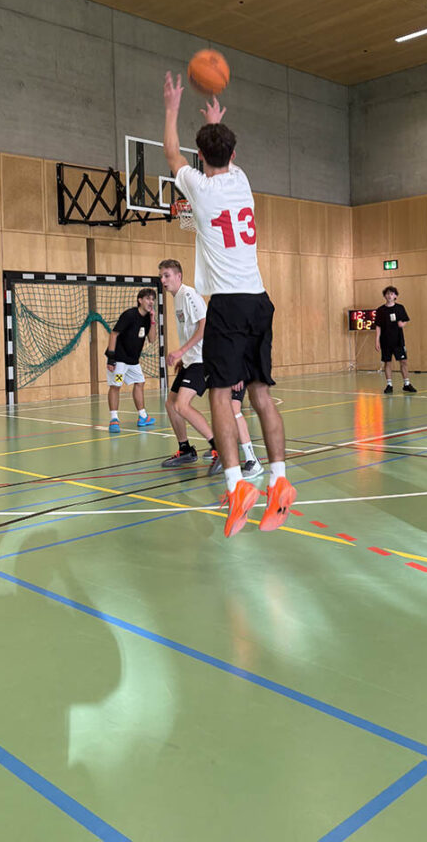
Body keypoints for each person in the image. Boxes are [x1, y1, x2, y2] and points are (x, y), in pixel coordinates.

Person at [162, 72, 295, 537]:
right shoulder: (242, 181)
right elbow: (209, 152)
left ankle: (237, 485)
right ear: (233, 156)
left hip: (229, 305)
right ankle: (279, 482)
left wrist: (172, 107)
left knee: (220, 394)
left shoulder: (200, 188)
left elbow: (172, 154)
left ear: (201, 158)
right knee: (260, 395)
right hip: (260, 301)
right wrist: (217, 121)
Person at [158, 258, 263, 478]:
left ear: (179, 276)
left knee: (185, 405)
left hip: (204, 361)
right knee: (171, 403)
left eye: (167, 275)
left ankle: (221, 448)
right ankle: (186, 449)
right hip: (195, 360)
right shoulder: (180, 299)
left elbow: (205, 326)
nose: (163, 280)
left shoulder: (189, 295)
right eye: (161, 276)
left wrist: (182, 350)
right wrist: (184, 356)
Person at [105, 287, 157, 432]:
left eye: (153, 299)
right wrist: (111, 358)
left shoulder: (147, 319)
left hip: (133, 361)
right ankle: (114, 419)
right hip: (120, 360)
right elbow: (114, 334)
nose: (151, 302)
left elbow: (152, 339)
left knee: (140, 382)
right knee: (116, 385)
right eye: (148, 298)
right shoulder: (129, 315)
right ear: (140, 300)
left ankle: (143, 416)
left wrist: (152, 320)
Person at [374, 286, 416, 394]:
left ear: (395, 296)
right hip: (385, 341)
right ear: (384, 296)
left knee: (404, 361)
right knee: (387, 362)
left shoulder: (400, 308)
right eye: (387, 294)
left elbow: (405, 320)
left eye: (392, 294)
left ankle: (406, 384)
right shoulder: (380, 310)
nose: (389, 296)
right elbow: (378, 326)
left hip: (398, 340)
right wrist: (377, 340)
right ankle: (389, 385)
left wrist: (402, 324)